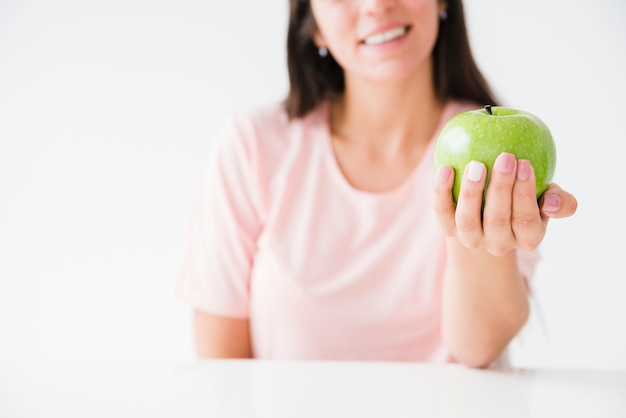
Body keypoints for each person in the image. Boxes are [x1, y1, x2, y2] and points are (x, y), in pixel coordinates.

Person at [175, 0, 577, 368]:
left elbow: (477, 350)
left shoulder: (496, 159)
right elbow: (221, 373)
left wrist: (473, 237)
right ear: (313, 25)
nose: (376, 5)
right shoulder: (253, 147)